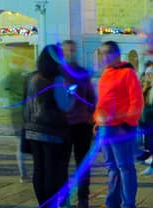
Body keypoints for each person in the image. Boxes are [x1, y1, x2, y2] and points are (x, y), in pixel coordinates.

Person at [94, 39, 143, 208]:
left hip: (121, 127)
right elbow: (102, 101)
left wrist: (128, 124)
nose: (104, 56)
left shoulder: (127, 73)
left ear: (116, 54)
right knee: (112, 167)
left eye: (107, 53)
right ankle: (112, 202)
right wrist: (97, 122)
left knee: (125, 167)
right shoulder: (106, 73)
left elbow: (136, 100)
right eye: (102, 53)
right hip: (105, 127)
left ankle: (128, 204)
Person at [25, 44, 75, 205]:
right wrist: (71, 94)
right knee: (52, 172)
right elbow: (64, 105)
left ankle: (42, 203)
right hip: (52, 131)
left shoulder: (32, 77)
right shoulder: (57, 79)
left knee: (39, 169)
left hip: (32, 130)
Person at [61, 39, 96, 206]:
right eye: (66, 50)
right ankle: (65, 198)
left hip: (82, 124)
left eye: (72, 50)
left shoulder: (82, 72)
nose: (69, 53)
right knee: (61, 165)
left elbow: (91, 96)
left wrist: (90, 116)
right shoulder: (57, 73)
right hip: (63, 125)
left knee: (82, 164)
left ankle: (83, 198)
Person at [0, 51, 33, 181]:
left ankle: (23, 173)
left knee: (20, 144)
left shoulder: (10, 77)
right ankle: (27, 172)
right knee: (30, 143)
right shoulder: (24, 77)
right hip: (26, 115)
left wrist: (10, 98)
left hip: (16, 115)